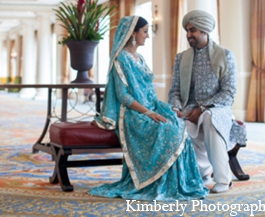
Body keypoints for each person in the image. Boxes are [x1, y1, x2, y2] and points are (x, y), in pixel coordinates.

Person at [89, 15, 208, 201]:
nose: (147, 36)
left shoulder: (140, 58)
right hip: (131, 113)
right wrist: (148, 112)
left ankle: (176, 183)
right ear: (133, 33)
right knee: (165, 129)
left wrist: (166, 109)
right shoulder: (120, 59)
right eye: (144, 32)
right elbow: (124, 96)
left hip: (149, 108)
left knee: (176, 122)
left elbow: (150, 94)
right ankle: (153, 183)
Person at [168, 10, 247, 194]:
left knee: (210, 118)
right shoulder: (181, 58)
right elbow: (176, 91)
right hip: (188, 110)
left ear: (204, 31)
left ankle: (224, 179)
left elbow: (229, 92)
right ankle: (201, 172)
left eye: (193, 30)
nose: (188, 35)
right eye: (187, 30)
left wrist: (203, 108)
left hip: (217, 109)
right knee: (172, 121)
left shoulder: (225, 55)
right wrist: (176, 108)